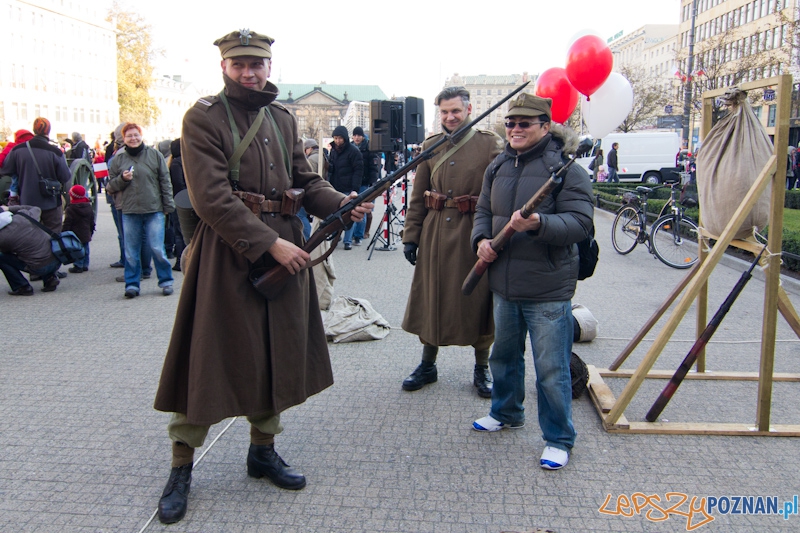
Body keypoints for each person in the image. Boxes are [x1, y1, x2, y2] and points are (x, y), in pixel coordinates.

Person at [151, 29, 372, 525]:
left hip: (285, 244)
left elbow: (305, 180)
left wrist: (340, 203)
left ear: (270, 66)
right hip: (229, 252)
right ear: (225, 68)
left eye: (258, 64)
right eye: (240, 64)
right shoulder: (203, 117)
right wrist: (270, 243)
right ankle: (182, 465)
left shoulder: (281, 116)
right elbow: (209, 197)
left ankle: (262, 450)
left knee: (274, 351)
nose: (250, 72)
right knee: (207, 357)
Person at [470, 93, 594, 471]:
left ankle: (558, 438)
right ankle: (506, 413)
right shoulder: (498, 166)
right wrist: (481, 242)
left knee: (552, 368)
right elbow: (483, 211)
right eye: (511, 123)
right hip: (503, 283)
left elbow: (580, 224)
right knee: (504, 356)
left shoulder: (568, 171)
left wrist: (540, 224)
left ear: (545, 126)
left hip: (547, 288)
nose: (516, 129)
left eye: (524, 123)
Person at [400, 86, 503, 398]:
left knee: (478, 299)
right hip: (435, 232)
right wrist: (411, 236)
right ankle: (428, 364)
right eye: (444, 112)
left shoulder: (488, 144)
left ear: (468, 110)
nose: (450, 117)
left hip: (474, 231)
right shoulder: (431, 145)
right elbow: (418, 196)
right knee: (432, 297)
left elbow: (500, 192)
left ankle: (482, 366)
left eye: (456, 110)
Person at [106, 122, 175, 298]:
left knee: (157, 248)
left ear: (141, 136)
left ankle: (166, 281)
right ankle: (132, 284)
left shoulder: (154, 155)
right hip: (130, 210)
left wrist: (168, 206)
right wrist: (122, 178)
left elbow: (165, 181)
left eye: (136, 135)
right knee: (131, 250)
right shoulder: (119, 159)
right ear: (124, 139)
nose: (133, 138)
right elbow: (110, 185)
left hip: (154, 209)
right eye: (129, 136)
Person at [0, 118, 71, 233]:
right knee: (53, 235)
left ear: (33, 130)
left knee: (28, 236)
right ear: (48, 131)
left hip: (26, 203)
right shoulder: (56, 152)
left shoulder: (18, 150)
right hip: (51, 202)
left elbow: (5, 170)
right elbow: (65, 177)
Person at [0, 205, 61, 294]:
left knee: (2, 258)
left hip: (39, 267)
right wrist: (9, 208)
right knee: (38, 249)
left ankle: (22, 287)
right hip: (57, 259)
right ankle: (50, 278)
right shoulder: (24, 215)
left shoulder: (2, 236)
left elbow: (6, 252)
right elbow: (37, 208)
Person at [326, 125, 363, 250]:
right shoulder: (333, 150)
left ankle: (348, 240)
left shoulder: (353, 151)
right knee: (335, 213)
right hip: (335, 187)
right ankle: (336, 236)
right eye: (335, 138)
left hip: (348, 187)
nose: (337, 141)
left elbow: (358, 171)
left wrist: (355, 188)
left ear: (345, 138)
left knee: (349, 214)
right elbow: (332, 168)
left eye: (339, 138)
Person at [351, 126, 381, 243]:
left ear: (363, 136)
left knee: (362, 209)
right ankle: (353, 233)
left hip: (365, 182)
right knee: (352, 209)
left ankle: (359, 235)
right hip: (353, 182)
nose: (357, 138)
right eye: (355, 135)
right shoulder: (350, 147)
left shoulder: (368, 148)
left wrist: (373, 183)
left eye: (359, 135)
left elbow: (374, 167)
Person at [62, 185, 95, 273]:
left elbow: (68, 222)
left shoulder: (71, 209)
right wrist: (91, 230)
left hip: (75, 233)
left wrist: (64, 232)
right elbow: (92, 220)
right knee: (86, 249)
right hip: (86, 232)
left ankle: (78, 265)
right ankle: (85, 264)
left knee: (77, 249)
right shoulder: (88, 206)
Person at [168, 138, 186, 270]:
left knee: (179, 233)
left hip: (180, 199)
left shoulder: (175, 163)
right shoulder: (186, 160)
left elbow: (178, 183)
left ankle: (181, 260)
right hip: (186, 198)